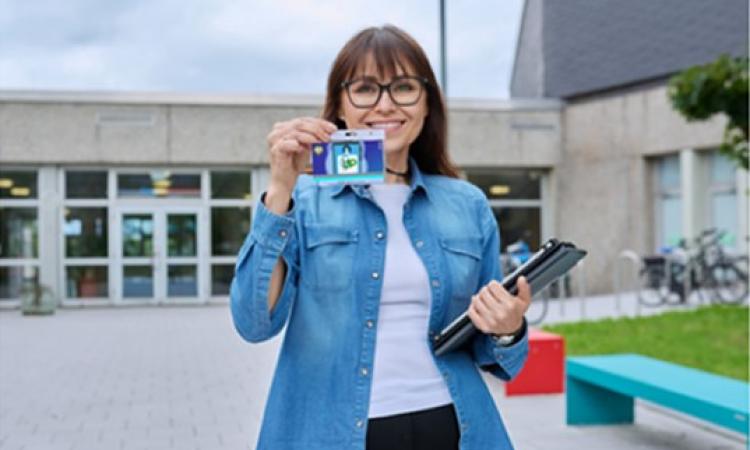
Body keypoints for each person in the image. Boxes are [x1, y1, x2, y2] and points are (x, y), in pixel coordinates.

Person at [230, 24, 531, 450]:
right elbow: (254, 322)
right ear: (339, 106)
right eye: (366, 89)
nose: (386, 104)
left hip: (455, 426)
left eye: (404, 87)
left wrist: (508, 329)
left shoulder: (467, 205)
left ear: (427, 104)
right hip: (331, 432)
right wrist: (280, 187)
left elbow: (491, 353)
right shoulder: (304, 200)